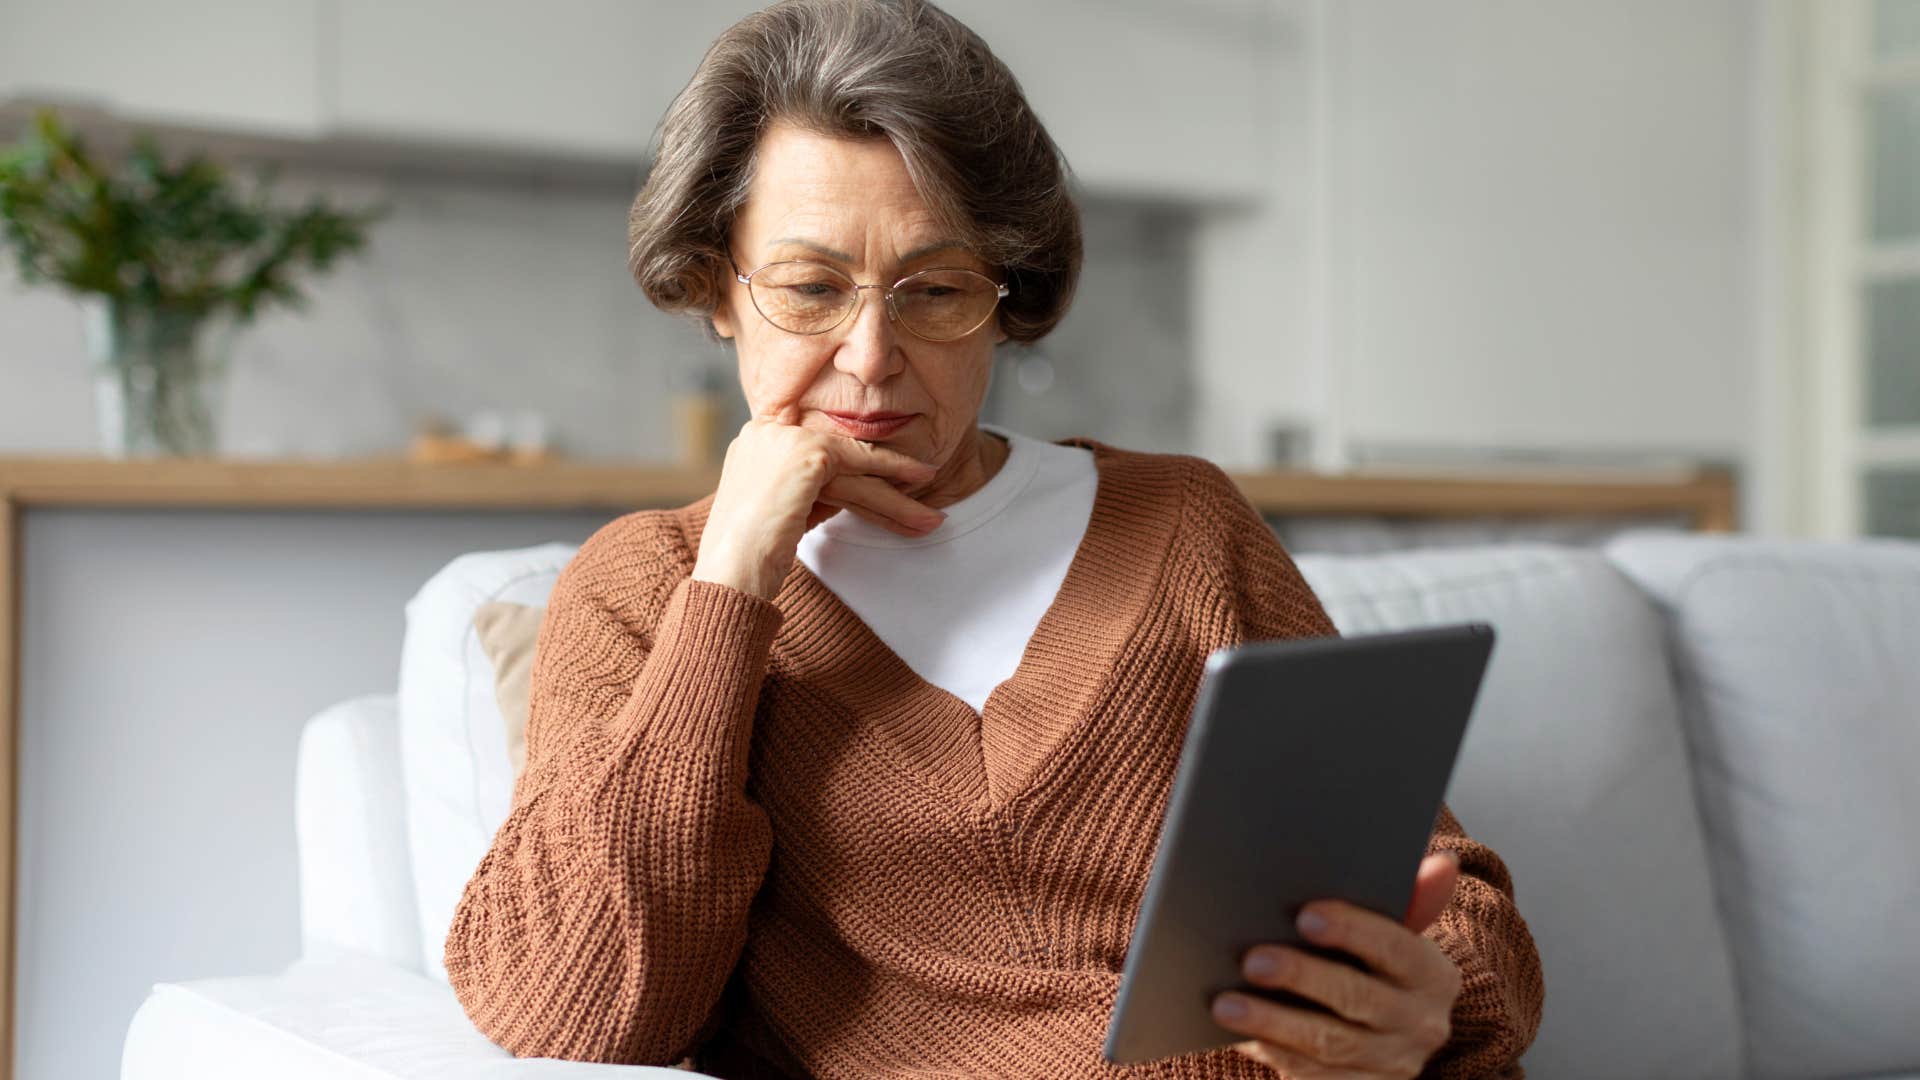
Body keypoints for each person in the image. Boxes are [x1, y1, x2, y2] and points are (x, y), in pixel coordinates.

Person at [443, 1, 1544, 1076]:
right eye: (811, 289)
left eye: (935, 292)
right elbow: (573, 1007)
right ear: (711, 290)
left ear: (1006, 293)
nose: (871, 355)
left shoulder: (1184, 525)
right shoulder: (645, 590)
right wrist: (732, 588)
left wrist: (1424, 1005)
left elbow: (1441, 889)